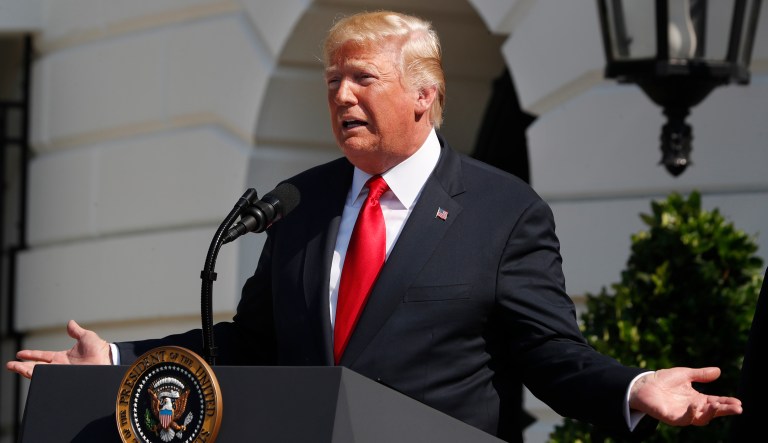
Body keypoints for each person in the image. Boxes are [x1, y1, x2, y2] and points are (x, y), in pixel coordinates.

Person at [7, 10, 742, 443]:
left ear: (425, 95)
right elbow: (252, 343)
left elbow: (549, 355)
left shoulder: (503, 211)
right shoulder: (300, 201)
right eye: (333, 81)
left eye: (363, 78)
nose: (342, 96)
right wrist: (118, 358)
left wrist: (634, 386)